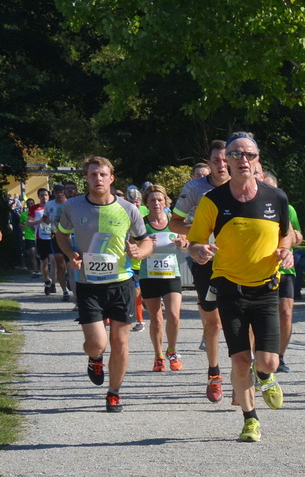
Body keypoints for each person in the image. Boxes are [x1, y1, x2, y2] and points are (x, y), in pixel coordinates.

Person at [187, 132, 291, 442]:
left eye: (249, 155)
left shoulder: (276, 197)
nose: (243, 160)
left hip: (265, 288)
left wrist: (285, 251)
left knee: (268, 360)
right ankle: (250, 419)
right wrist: (199, 251)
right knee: (240, 359)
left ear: (257, 160)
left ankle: (265, 375)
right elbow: (194, 242)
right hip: (229, 288)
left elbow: (285, 234)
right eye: (236, 154)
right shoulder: (213, 201)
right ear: (226, 161)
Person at [55, 157, 153, 412]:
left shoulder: (128, 209)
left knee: (120, 343)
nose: (98, 179)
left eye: (102, 174)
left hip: (121, 284)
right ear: (86, 179)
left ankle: (114, 392)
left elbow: (146, 241)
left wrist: (140, 252)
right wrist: (70, 254)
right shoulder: (73, 206)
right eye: (93, 175)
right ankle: (95, 357)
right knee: (97, 343)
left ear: (111, 178)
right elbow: (61, 234)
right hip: (88, 284)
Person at [173, 140, 233, 403]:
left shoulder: (244, 186)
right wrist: (201, 232)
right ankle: (214, 373)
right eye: (216, 160)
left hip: (237, 261)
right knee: (213, 322)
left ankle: (244, 374)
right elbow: (174, 223)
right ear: (208, 164)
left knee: (244, 318)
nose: (222, 165)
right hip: (205, 260)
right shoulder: (195, 188)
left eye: (225, 160)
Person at [139, 187, 186, 372]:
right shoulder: (142, 223)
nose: (156, 203)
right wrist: (144, 244)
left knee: (174, 315)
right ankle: (158, 355)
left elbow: (186, 245)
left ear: (166, 202)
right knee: (156, 319)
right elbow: (134, 248)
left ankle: (172, 351)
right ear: (146, 203)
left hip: (171, 274)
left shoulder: (174, 223)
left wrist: (183, 243)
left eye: (160, 200)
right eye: (152, 200)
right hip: (149, 275)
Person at [261, 170, 303, 371]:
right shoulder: (251, 208)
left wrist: (294, 237)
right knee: (261, 316)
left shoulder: (288, 208)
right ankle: (259, 356)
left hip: (284, 269)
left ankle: (280, 356)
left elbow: (298, 237)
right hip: (261, 269)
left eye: (272, 188)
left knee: (285, 313)